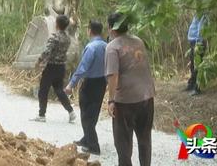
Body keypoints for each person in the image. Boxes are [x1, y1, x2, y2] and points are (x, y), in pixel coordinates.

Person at [105, 12, 155, 166]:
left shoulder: (112, 47)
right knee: (144, 138)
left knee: (123, 144)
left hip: (125, 101)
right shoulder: (138, 41)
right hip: (147, 97)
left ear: (111, 28)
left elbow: (113, 76)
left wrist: (111, 100)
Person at [64, 20, 107, 156]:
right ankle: (86, 139)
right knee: (93, 112)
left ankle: (94, 146)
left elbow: (82, 68)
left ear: (90, 30)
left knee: (86, 114)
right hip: (102, 83)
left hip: (90, 83)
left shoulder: (91, 47)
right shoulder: (107, 46)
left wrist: (71, 84)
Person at [30, 14, 76, 123]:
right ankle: (71, 111)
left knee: (43, 90)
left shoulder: (54, 37)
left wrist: (39, 61)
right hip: (61, 67)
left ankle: (42, 114)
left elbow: (47, 51)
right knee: (59, 90)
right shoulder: (67, 38)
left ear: (57, 24)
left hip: (51, 67)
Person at [186, 14, 207, 96]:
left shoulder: (203, 14)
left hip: (198, 43)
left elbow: (201, 28)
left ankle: (197, 88)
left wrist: (198, 43)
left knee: (197, 66)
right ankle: (191, 84)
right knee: (193, 65)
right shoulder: (197, 14)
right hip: (193, 42)